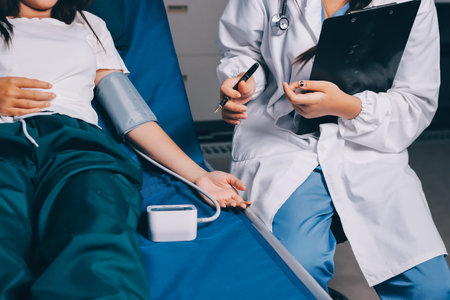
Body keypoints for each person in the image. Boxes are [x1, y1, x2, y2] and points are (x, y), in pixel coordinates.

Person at [0, 0, 249, 298]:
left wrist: (199, 176)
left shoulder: (88, 25)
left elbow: (130, 114)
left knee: (96, 233)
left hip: (77, 148)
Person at [217, 0, 450, 298]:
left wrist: (348, 107)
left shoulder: (410, 3)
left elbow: (416, 101)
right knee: (298, 271)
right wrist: (243, 81)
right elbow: (244, 52)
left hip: (367, 147)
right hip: (283, 142)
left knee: (430, 289)